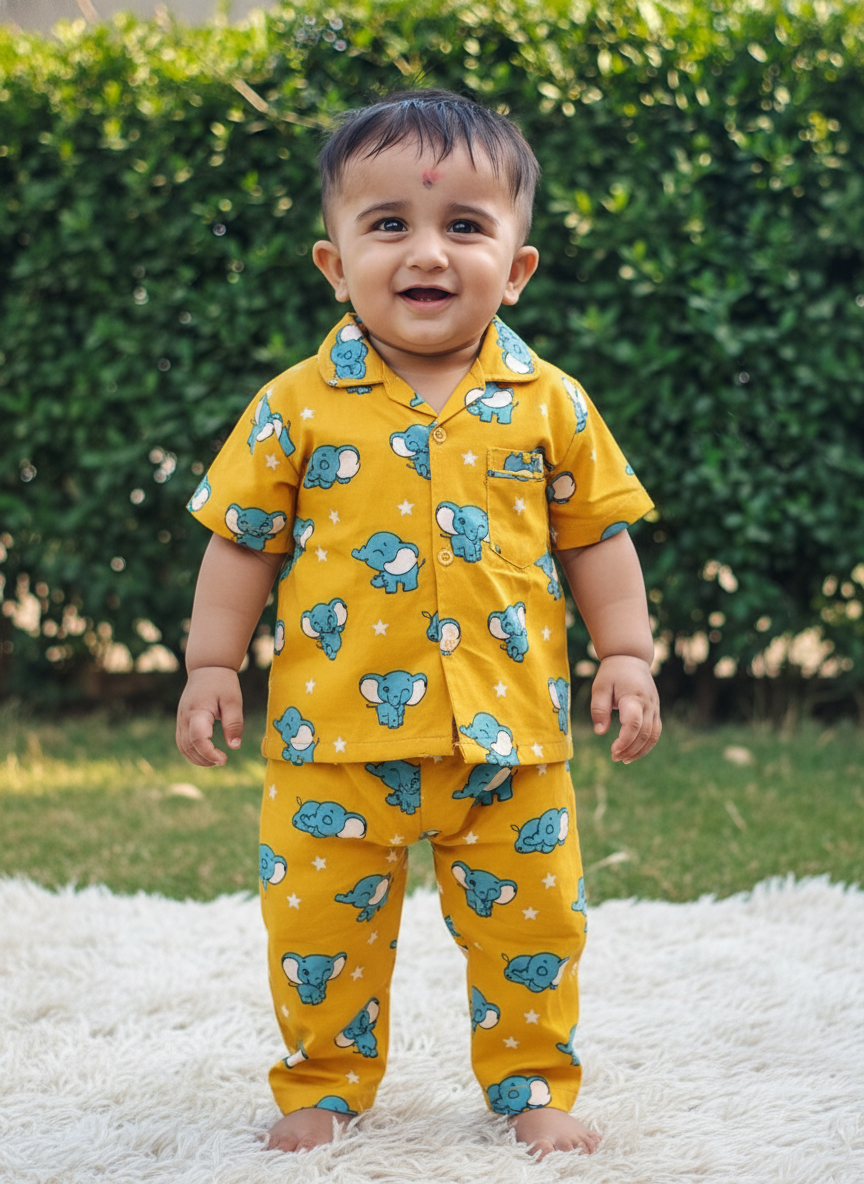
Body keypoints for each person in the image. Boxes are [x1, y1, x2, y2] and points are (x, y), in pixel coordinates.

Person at [176, 88, 661, 1160]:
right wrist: (213, 661)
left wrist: (626, 649)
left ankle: (532, 1079)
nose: (425, 251)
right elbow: (242, 540)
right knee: (318, 932)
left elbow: (594, 539)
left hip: (510, 746)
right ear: (335, 264)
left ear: (517, 266)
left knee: (535, 925)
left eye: (464, 226)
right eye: (388, 223)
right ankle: (325, 1079)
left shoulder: (552, 404)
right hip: (331, 744)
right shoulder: (296, 405)